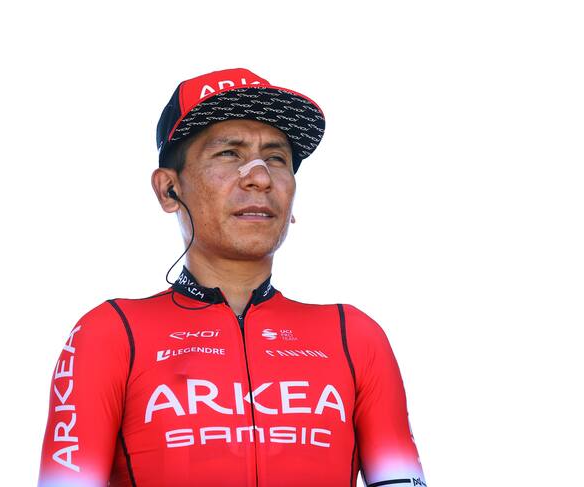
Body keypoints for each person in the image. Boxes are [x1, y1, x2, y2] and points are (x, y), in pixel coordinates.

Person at [37, 67, 428, 487]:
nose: (260, 177)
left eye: (276, 158)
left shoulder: (356, 337)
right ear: (168, 190)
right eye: (229, 153)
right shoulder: (108, 334)